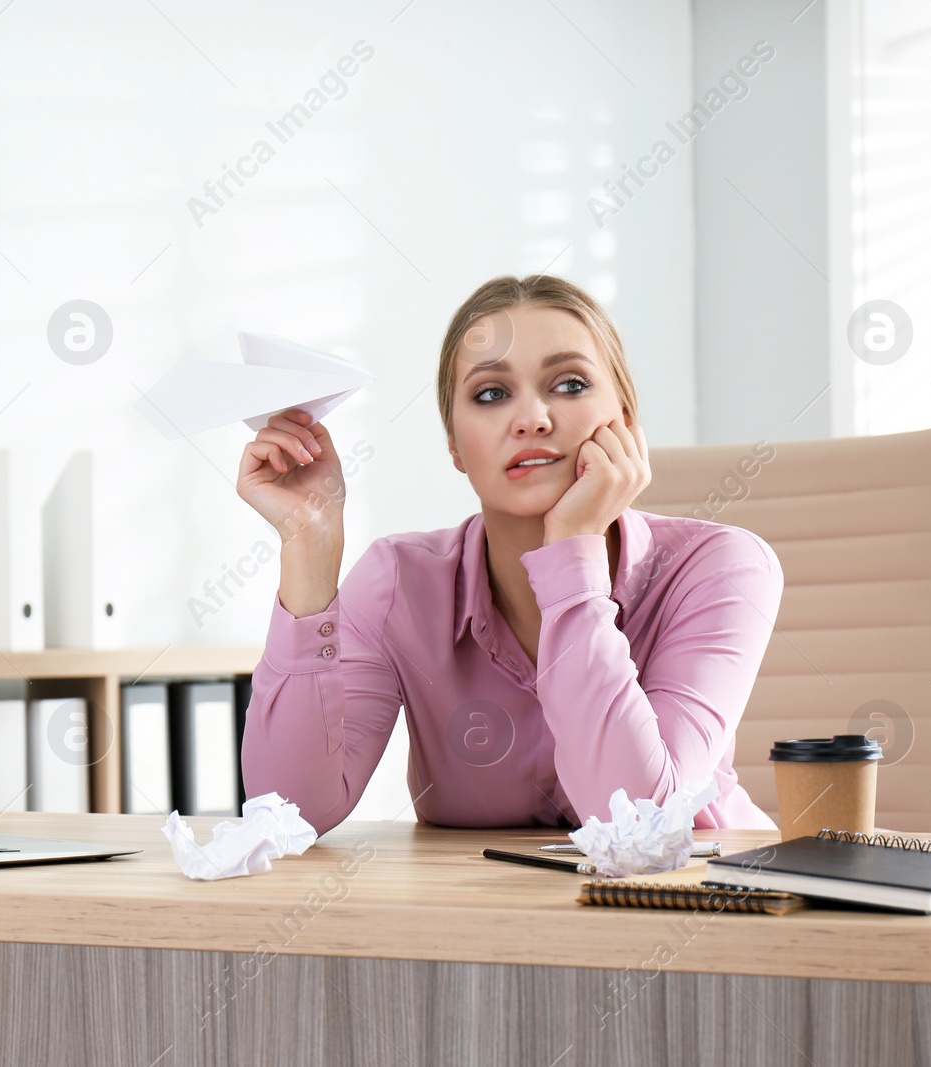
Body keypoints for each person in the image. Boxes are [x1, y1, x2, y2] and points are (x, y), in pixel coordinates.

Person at [234, 273, 782, 837]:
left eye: (569, 384)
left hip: (703, 912)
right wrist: (307, 546)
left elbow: (639, 819)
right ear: (454, 444)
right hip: (482, 917)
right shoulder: (400, 581)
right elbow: (288, 813)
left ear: (625, 418)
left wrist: (573, 552)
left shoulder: (722, 567)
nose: (533, 419)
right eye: (492, 394)